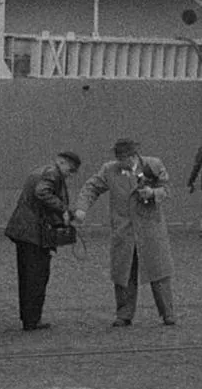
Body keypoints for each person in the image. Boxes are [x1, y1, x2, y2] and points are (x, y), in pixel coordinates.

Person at [74, 138, 176, 326]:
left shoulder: (153, 165)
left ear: (134, 155)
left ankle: (167, 313)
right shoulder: (109, 170)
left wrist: (153, 194)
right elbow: (91, 187)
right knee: (123, 273)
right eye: (119, 157)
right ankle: (124, 314)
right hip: (123, 230)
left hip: (150, 229)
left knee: (159, 272)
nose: (122, 161)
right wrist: (82, 208)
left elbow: (167, 189)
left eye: (125, 157)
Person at [4, 150, 82, 331]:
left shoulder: (42, 170)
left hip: (23, 230)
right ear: (62, 163)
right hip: (33, 233)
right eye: (70, 171)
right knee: (36, 276)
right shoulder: (52, 173)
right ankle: (32, 319)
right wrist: (63, 210)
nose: (69, 175)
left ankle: (29, 317)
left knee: (27, 276)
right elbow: (42, 192)